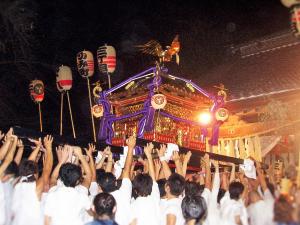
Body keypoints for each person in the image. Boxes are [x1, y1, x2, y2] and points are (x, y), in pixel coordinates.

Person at [11, 135, 53, 225]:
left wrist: (38, 147)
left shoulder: (16, 183)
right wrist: (49, 147)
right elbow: (47, 170)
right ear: (35, 173)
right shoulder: (35, 188)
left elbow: (28, 165)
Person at [44, 147, 91, 225]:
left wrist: (62, 160)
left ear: (61, 178)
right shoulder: (82, 194)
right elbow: (89, 175)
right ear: (78, 181)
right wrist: (80, 156)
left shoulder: (53, 193)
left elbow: (53, 178)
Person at [96, 136, 136, 225]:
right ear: (116, 182)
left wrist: (110, 157)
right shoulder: (124, 193)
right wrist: (130, 147)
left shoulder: (100, 200)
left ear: (100, 188)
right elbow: (126, 170)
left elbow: (126, 170)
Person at [129, 143, 160, 225]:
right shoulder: (154, 198)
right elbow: (153, 178)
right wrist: (149, 156)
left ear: (135, 190)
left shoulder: (132, 205)